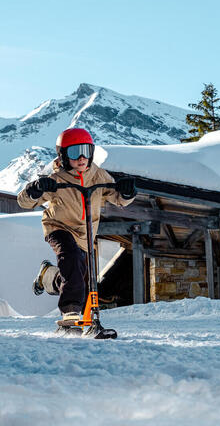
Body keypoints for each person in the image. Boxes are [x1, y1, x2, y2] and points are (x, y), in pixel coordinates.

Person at [17, 127, 136, 320]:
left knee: (78, 280)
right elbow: (25, 202)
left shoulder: (98, 176)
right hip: (59, 228)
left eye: (86, 151)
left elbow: (118, 198)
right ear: (63, 156)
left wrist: (127, 192)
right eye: (74, 152)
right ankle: (70, 311)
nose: (81, 158)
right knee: (70, 258)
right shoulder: (56, 180)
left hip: (85, 235)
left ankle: (47, 276)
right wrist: (35, 190)